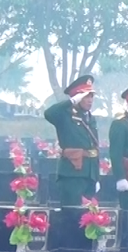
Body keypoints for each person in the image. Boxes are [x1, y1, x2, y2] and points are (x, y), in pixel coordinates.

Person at [43, 75, 101, 207]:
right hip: (72, 174)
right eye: (85, 96)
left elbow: (94, 148)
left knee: (89, 214)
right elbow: (49, 114)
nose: (90, 100)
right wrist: (71, 101)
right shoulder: (65, 115)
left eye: (91, 96)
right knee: (72, 212)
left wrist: (96, 177)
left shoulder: (90, 118)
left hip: (89, 174)